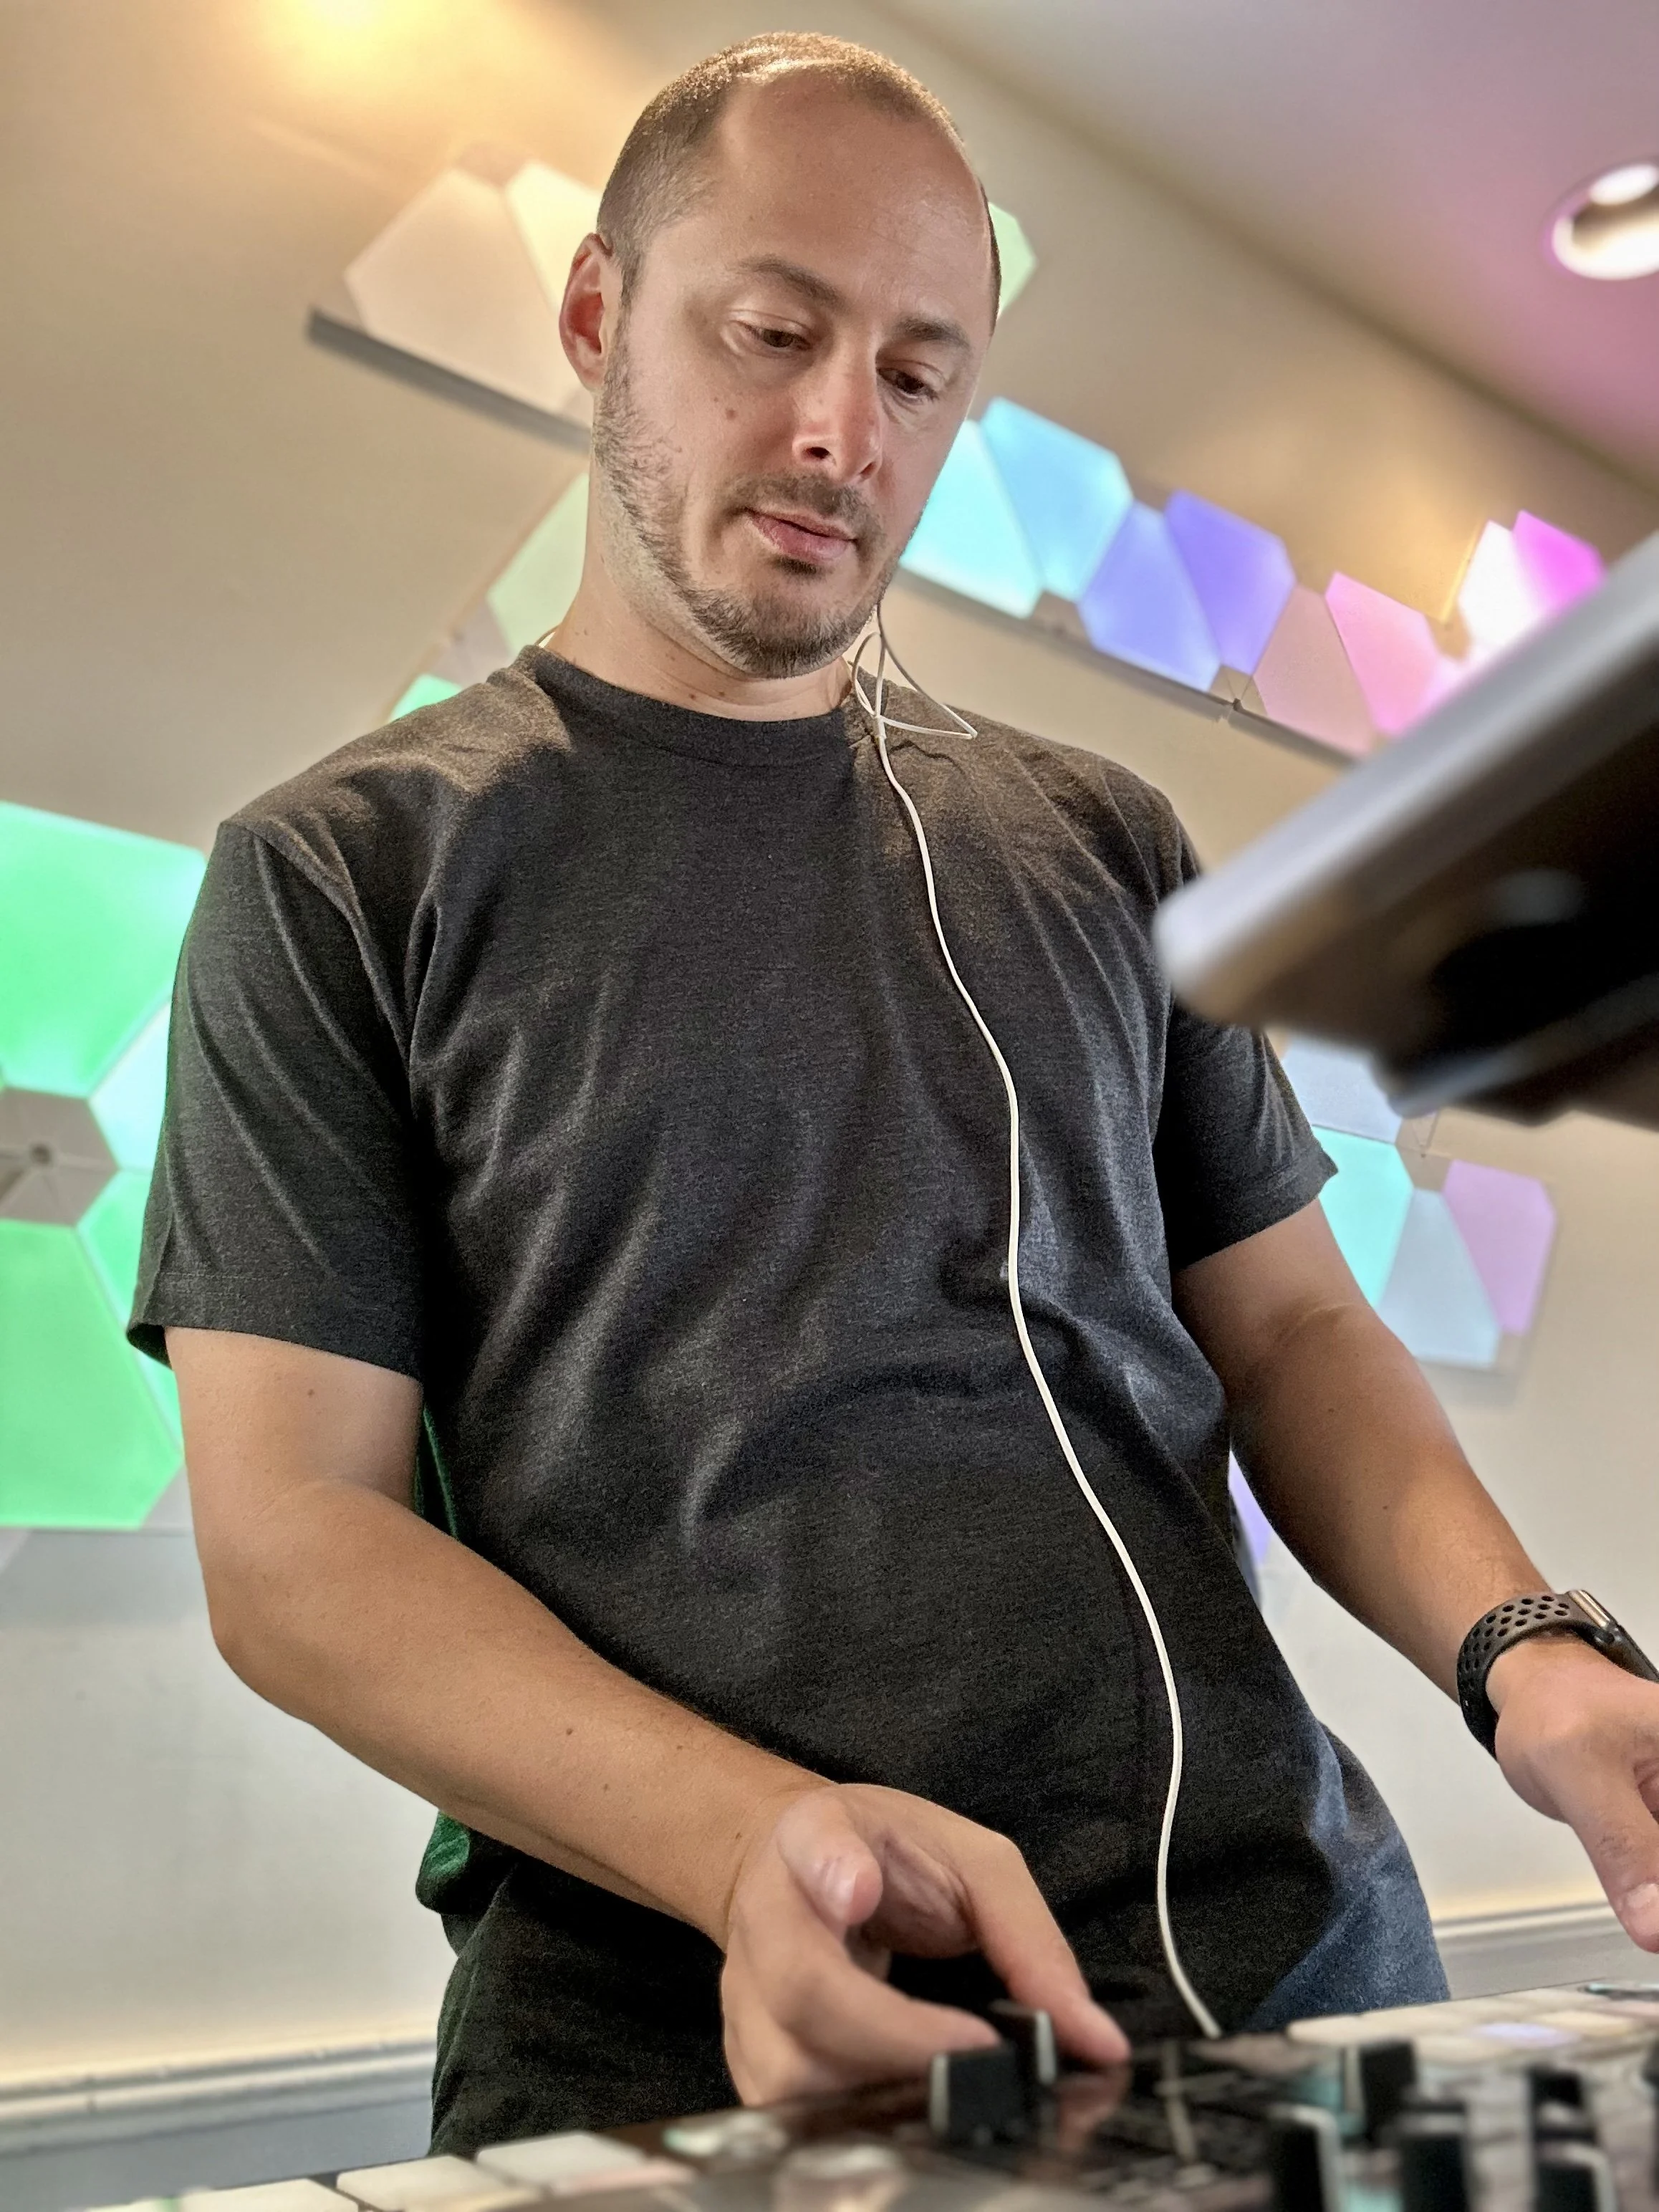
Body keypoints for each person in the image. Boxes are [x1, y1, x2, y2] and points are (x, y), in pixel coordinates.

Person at [131, 31, 1659, 2155]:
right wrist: (755, 1840)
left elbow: (1297, 1328)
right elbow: (294, 1537)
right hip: (710, 2053)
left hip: (1296, 1992)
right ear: (595, 317)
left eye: (923, 376)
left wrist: (1529, 1650)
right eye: (771, 332)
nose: (841, 428)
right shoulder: (342, 874)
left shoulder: (1102, 838)